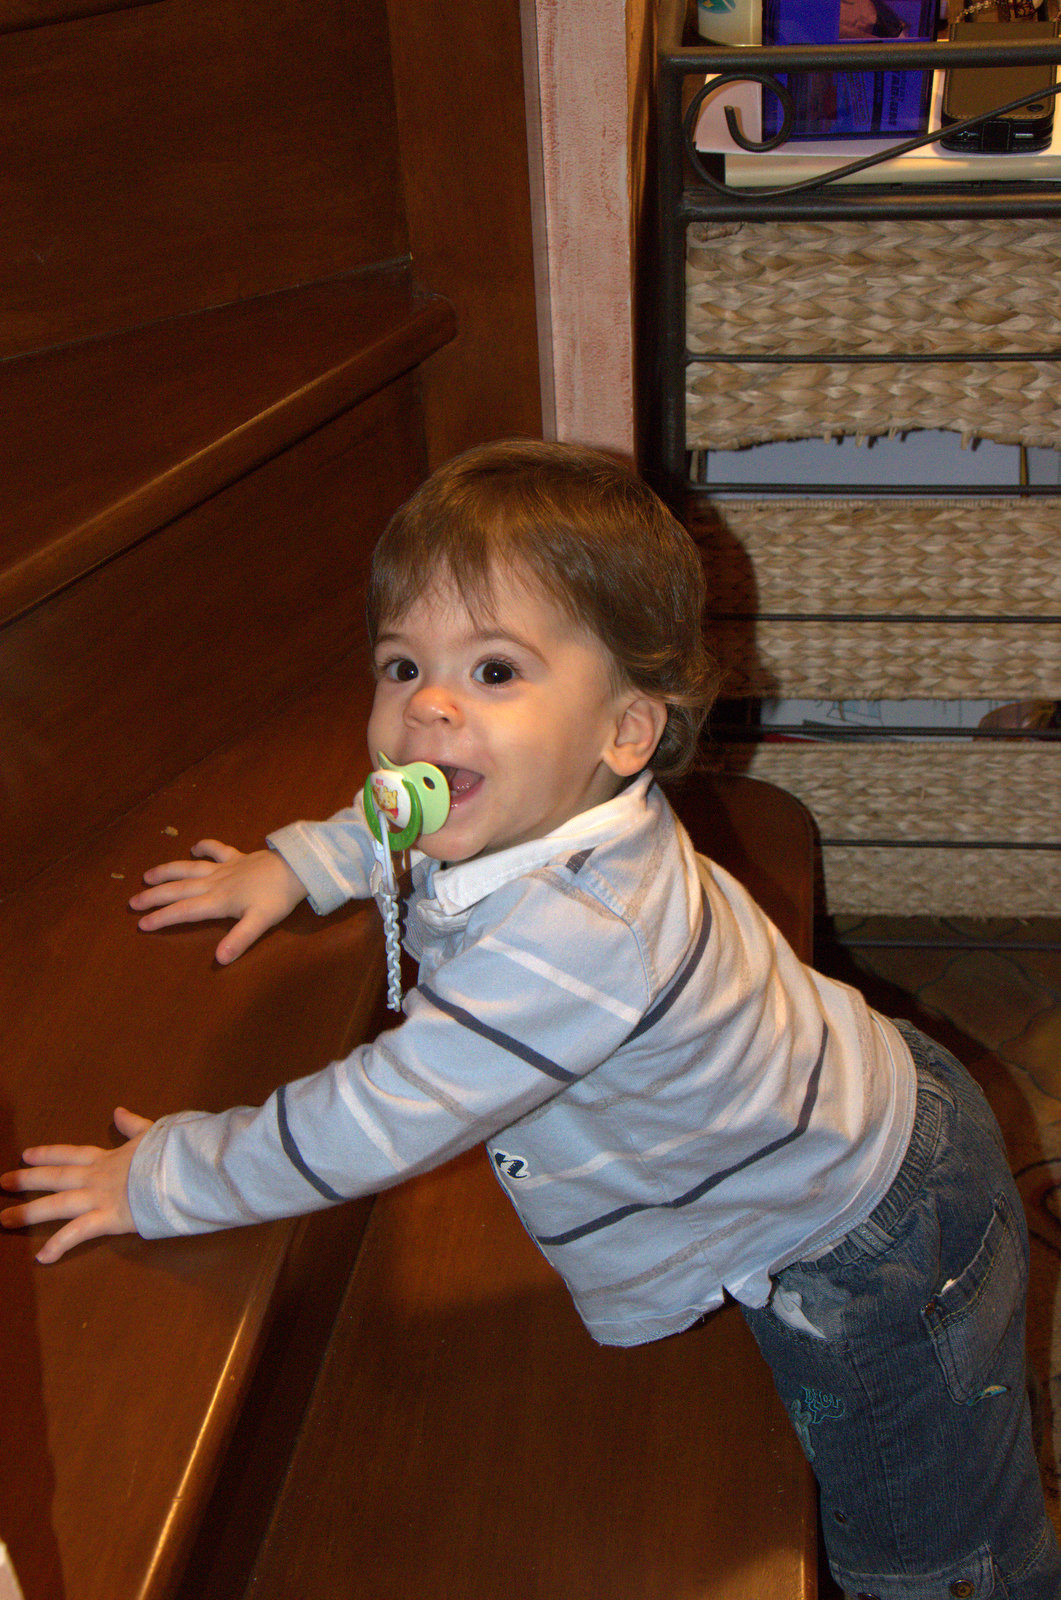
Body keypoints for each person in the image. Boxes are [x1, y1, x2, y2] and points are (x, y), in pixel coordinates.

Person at [2, 441, 1058, 1598]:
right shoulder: (534, 801)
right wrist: (300, 862)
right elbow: (403, 808)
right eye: (401, 664)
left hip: (869, 1248)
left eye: (494, 669)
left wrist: (162, 1177)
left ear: (624, 731)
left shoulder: (575, 939)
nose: (427, 704)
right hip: (862, 1102)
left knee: (937, 1552)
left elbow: (373, 1117)